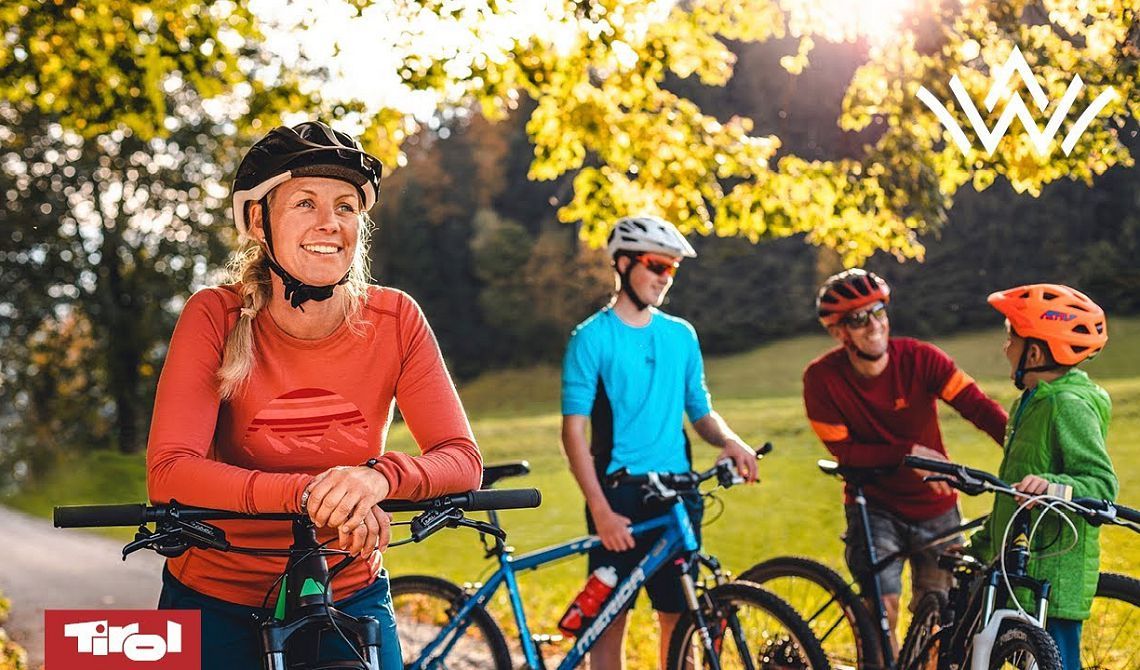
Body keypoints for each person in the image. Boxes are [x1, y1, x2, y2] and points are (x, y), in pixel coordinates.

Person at [146, 120, 483, 669]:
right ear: (260, 221)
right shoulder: (214, 315)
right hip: (215, 593)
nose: (329, 223)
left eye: (346, 207)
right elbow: (170, 470)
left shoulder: (395, 319)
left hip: (348, 588)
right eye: (305, 203)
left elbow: (462, 458)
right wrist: (312, 495)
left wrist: (377, 477)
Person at [560, 215, 759, 670]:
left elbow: (701, 411)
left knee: (680, 616)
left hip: (678, 495)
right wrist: (601, 511)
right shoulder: (591, 338)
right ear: (624, 263)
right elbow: (574, 433)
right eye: (656, 266)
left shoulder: (681, 335)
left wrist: (730, 441)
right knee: (608, 619)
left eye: (672, 269)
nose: (665, 278)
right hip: (619, 496)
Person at [802, 269, 1007, 649]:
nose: (873, 324)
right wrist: (907, 454)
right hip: (874, 506)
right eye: (858, 319)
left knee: (941, 618)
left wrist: (1021, 450)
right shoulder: (821, 379)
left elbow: (979, 408)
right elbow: (845, 454)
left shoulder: (921, 359)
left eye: (878, 311)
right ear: (838, 332)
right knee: (882, 609)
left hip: (936, 508)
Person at [970, 283, 1117, 670]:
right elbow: (1009, 494)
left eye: (1010, 338)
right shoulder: (1030, 404)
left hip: (1054, 573)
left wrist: (1052, 486)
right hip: (1018, 573)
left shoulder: (1069, 405)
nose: (1005, 348)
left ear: (1033, 353)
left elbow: (1101, 485)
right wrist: (983, 546)